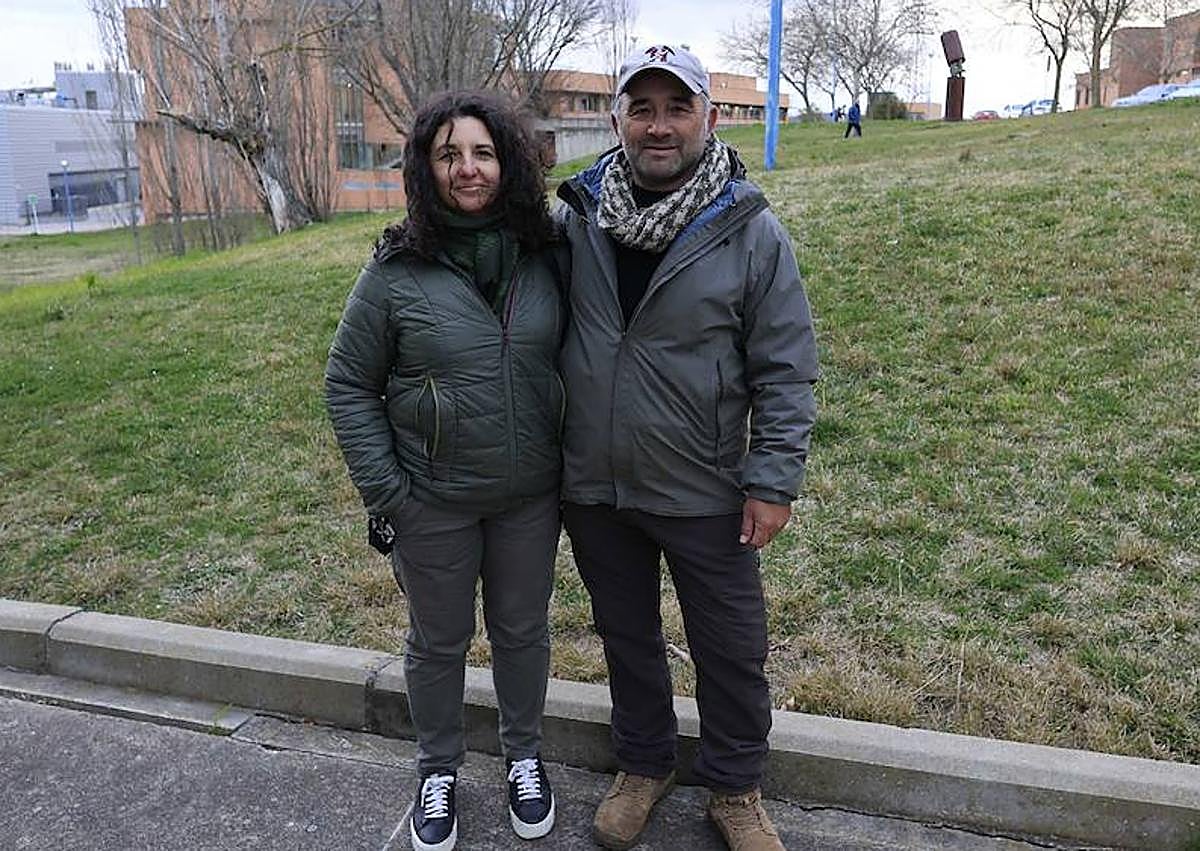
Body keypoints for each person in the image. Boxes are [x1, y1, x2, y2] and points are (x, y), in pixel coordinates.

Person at [555, 45, 818, 851]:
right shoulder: (574, 218)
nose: (659, 126)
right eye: (643, 108)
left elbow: (785, 365)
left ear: (709, 117)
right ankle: (644, 762)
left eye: (677, 108)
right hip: (596, 483)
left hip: (705, 481)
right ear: (617, 121)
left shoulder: (748, 228)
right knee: (626, 634)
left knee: (731, 646)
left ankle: (735, 787)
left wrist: (772, 478)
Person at [325, 90, 565, 851]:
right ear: (427, 168)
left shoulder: (547, 252)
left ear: (510, 162)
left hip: (529, 495)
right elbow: (347, 383)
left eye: (484, 152)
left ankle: (524, 755)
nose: (469, 168)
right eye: (449, 154)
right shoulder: (398, 269)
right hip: (434, 501)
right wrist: (390, 492)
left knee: (522, 631)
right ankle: (438, 769)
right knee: (438, 641)